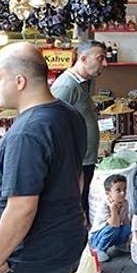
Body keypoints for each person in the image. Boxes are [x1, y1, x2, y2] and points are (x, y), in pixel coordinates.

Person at [0, 43, 87, 273]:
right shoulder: (70, 115)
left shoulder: (27, 133)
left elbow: (22, 207)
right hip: (62, 244)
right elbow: (77, 178)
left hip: (32, 258)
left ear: (19, 81)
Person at [50, 40, 108, 215]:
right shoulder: (66, 86)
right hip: (77, 162)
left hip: (85, 159)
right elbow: (52, 123)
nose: (105, 64)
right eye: (100, 58)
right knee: (77, 207)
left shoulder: (84, 82)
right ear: (83, 59)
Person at [90, 175, 132, 262]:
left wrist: (129, 235)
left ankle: (120, 244)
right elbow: (114, 224)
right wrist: (113, 208)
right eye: (118, 190)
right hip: (97, 236)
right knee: (113, 228)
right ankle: (99, 249)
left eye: (124, 189)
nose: (123, 193)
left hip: (114, 231)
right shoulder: (104, 206)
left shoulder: (124, 203)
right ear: (108, 193)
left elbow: (125, 220)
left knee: (128, 226)